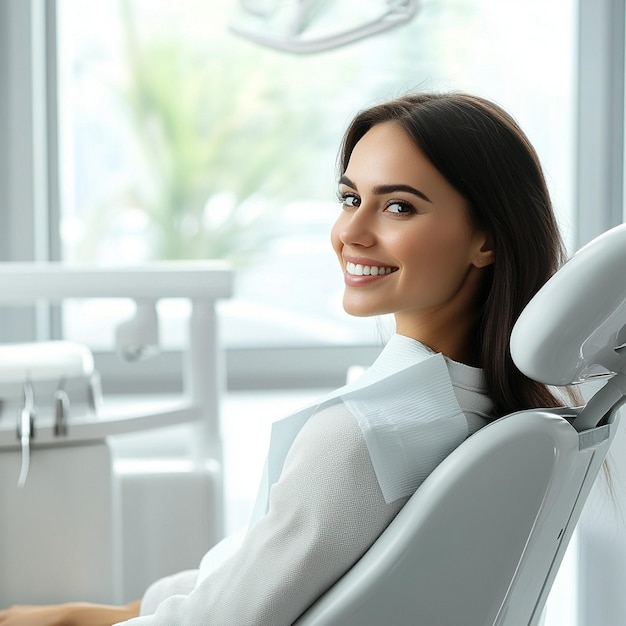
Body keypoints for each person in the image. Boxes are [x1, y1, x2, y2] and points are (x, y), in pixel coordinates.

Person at [0, 91, 568, 626]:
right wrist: (88, 614)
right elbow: (251, 583)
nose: (351, 232)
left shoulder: (365, 436)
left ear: (486, 239)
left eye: (398, 207)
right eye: (350, 198)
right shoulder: (477, 411)